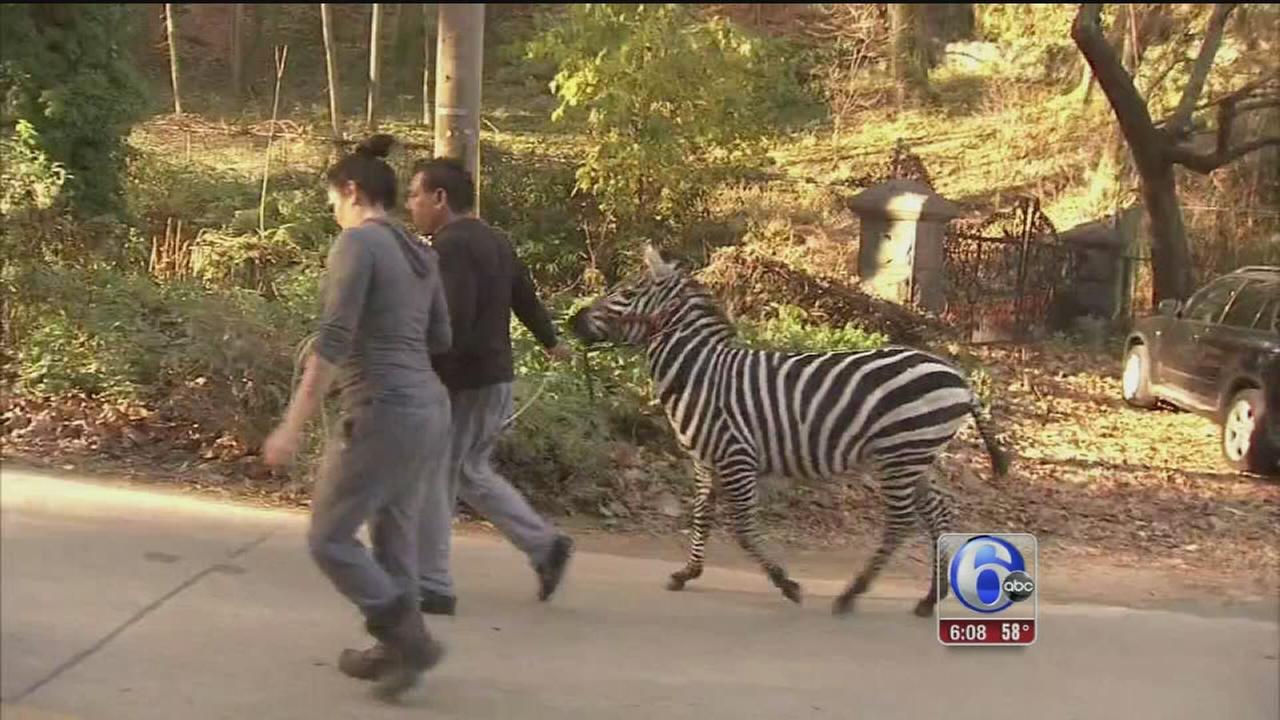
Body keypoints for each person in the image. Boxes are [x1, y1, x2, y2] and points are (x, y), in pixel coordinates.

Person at [262, 135, 453, 701]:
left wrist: (291, 425)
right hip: (428, 410)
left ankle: (405, 634)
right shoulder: (421, 251)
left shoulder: (358, 245)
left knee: (329, 538)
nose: (334, 215)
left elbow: (334, 340)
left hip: (383, 410)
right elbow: (440, 335)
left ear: (351, 191)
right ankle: (396, 650)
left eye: (333, 203)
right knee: (393, 534)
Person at [406, 156, 575, 616]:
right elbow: (524, 295)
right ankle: (545, 546)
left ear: (440, 198)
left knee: (439, 473)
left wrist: (422, 371)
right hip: (494, 376)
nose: (411, 204)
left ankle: (433, 584)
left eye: (416, 194)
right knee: (469, 471)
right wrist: (550, 340)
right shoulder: (494, 239)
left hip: (464, 381)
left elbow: (450, 322)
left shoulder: (451, 246)